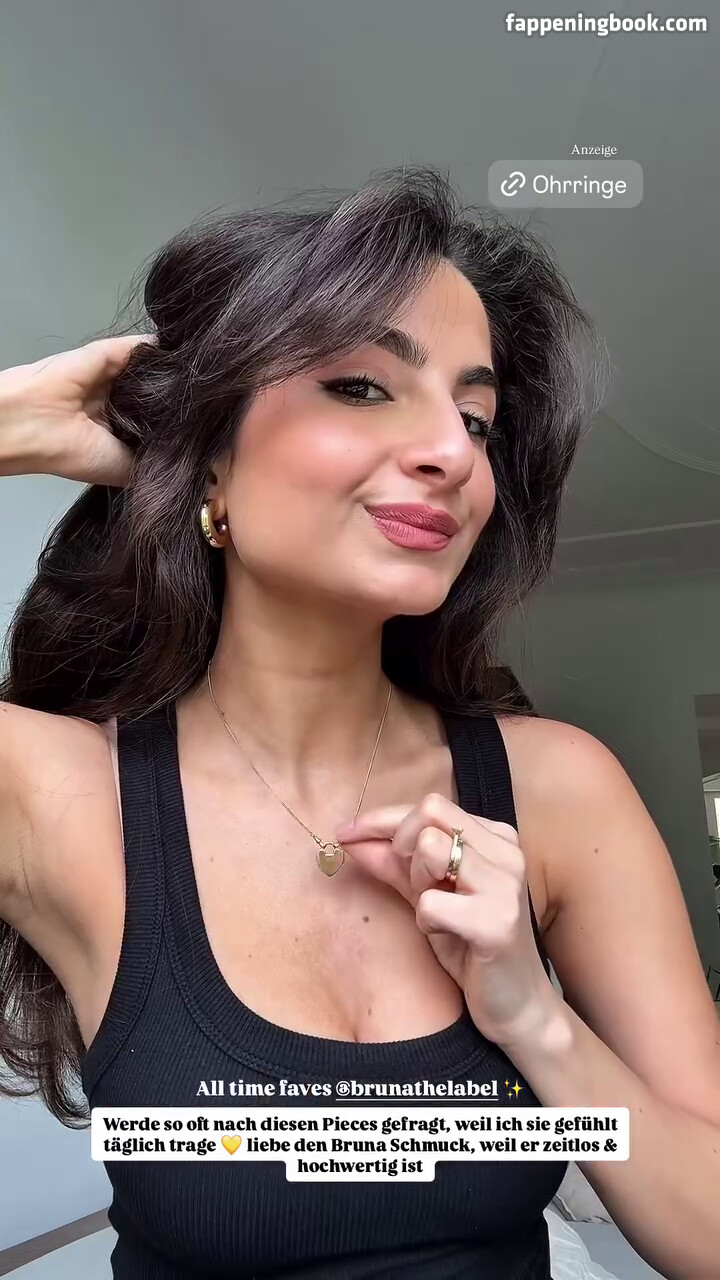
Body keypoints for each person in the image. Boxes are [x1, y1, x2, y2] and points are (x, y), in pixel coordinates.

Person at [0, 165, 718, 1280]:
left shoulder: (560, 788)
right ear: (211, 463)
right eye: (363, 386)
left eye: (476, 418)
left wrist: (537, 1018)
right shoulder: (57, 793)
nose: (454, 453)